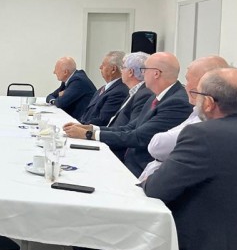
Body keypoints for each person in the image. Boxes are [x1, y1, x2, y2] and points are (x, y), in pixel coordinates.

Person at [75, 68, 237, 250]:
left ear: (209, 102)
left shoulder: (202, 135)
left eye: (195, 93)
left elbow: (157, 189)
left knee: (89, 235)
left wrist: (150, 178)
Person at [64, 52, 193, 177]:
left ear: (156, 73)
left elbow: (139, 137)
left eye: (144, 69)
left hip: (138, 167)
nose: (142, 74)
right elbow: (130, 127)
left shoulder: (176, 102)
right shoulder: (155, 96)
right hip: (130, 160)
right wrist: (92, 129)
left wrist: (89, 135)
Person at [138, 55, 228, 181]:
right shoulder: (196, 111)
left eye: (188, 80)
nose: (186, 86)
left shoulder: (203, 119)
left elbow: (157, 146)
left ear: (204, 83)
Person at [79, 51, 129, 126]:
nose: (100, 67)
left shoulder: (119, 92)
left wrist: (80, 126)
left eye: (103, 65)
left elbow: (103, 120)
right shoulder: (103, 88)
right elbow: (88, 113)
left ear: (113, 69)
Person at [106, 52, 151, 128]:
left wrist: (95, 133)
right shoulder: (133, 92)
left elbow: (130, 129)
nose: (121, 71)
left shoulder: (144, 95)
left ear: (131, 72)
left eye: (123, 68)